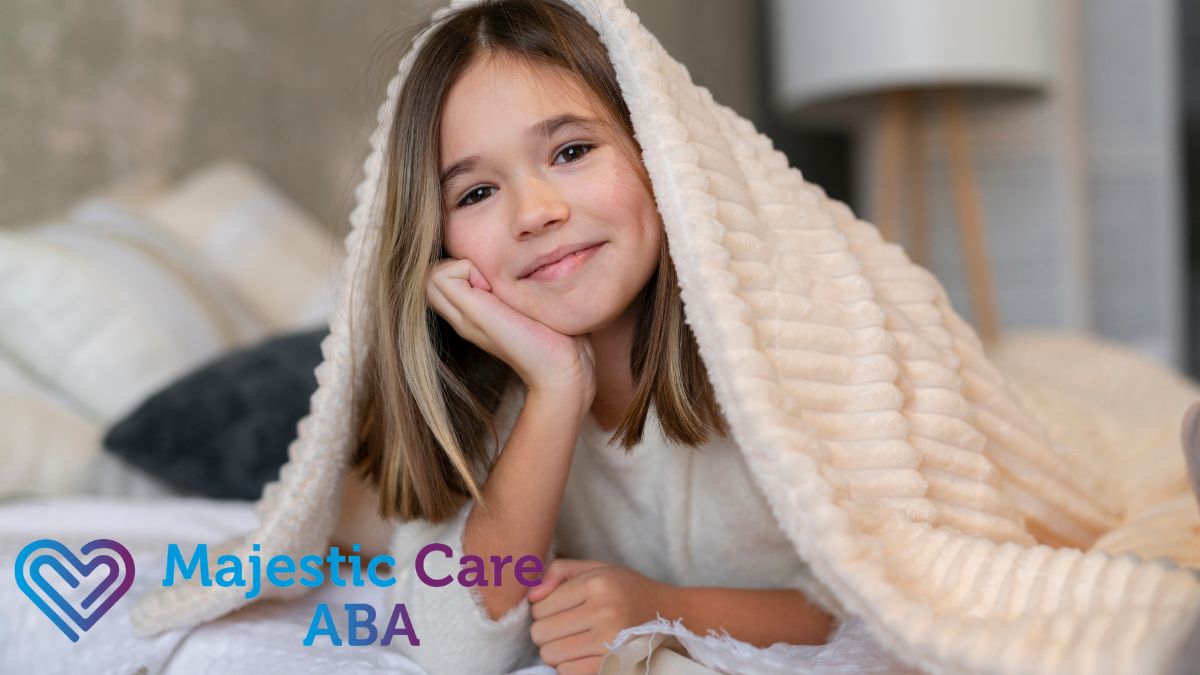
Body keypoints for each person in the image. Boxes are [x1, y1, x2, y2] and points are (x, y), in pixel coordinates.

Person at [332, 0, 843, 673]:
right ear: (438, 241)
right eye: (476, 193)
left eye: (572, 151)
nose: (538, 213)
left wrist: (664, 605)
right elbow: (446, 646)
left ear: (658, 149)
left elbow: (886, 598)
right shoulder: (490, 393)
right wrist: (555, 385)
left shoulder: (789, 354)